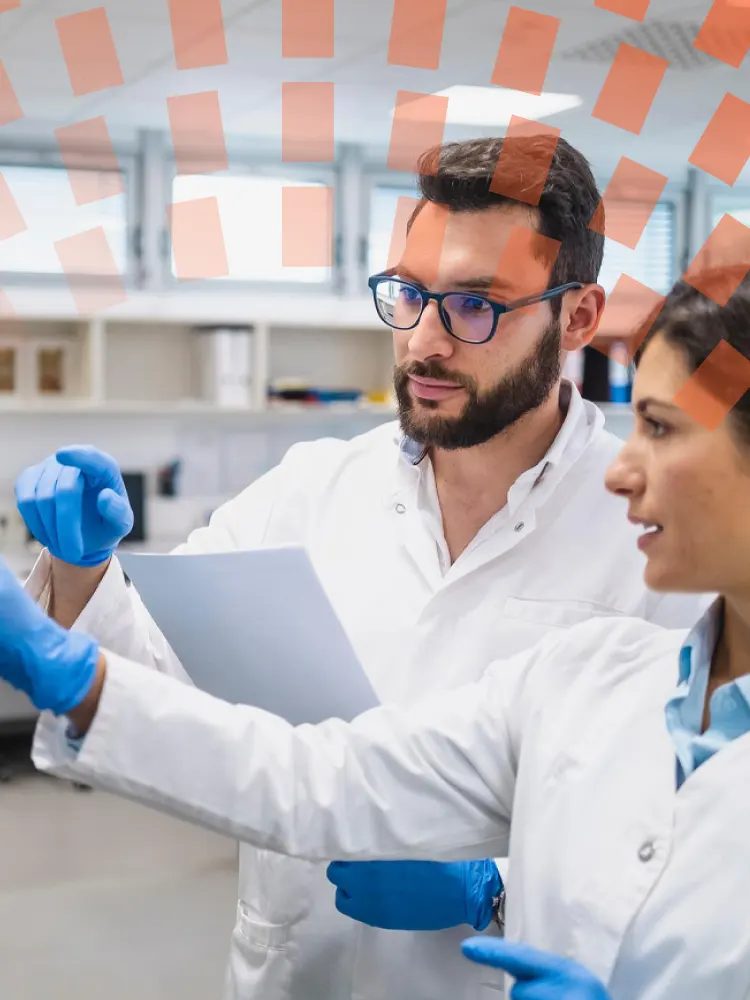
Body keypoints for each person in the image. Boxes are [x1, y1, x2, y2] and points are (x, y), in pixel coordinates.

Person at [14, 136, 706, 1000]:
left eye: (475, 306)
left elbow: (687, 837)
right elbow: (168, 689)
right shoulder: (314, 487)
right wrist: (84, 573)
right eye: (410, 295)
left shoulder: (654, 535)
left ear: (576, 317)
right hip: (293, 968)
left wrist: (494, 885)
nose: (425, 341)